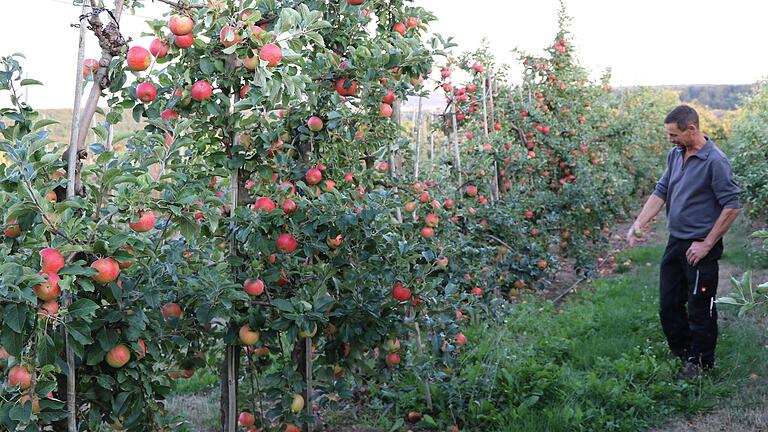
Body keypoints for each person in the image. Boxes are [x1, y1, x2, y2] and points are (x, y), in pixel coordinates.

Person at [626, 104, 741, 378]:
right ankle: (683, 353)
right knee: (668, 305)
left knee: (700, 307)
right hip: (676, 242)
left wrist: (707, 244)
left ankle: (700, 363)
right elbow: (661, 191)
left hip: (700, 246)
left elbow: (732, 206)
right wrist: (639, 222)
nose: (670, 140)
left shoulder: (715, 161)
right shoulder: (675, 154)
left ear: (691, 128)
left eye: (673, 134)